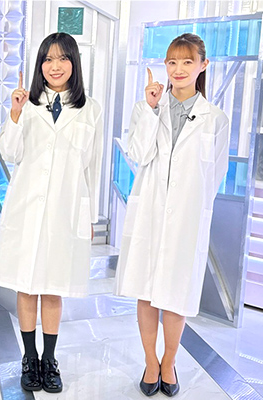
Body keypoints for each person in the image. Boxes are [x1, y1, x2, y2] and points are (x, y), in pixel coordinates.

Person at [114, 33, 229, 397]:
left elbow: (214, 175)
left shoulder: (216, 119)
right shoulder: (148, 108)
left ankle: (169, 362)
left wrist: (191, 210)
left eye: (187, 62)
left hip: (185, 221)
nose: (178, 70)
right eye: (172, 62)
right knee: (146, 292)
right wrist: (150, 110)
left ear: (203, 65)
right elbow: (137, 154)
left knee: (176, 295)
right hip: (149, 214)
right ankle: (151, 363)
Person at [0, 32, 103, 393]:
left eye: (63, 59)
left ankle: (49, 360)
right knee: (26, 286)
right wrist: (15, 114)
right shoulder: (27, 105)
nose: (55, 66)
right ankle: (29, 358)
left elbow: (93, 166)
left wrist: (90, 215)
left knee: (54, 287)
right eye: (48, 59)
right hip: (26, 210)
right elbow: (10, 152)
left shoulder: (90, 109)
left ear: (74, 64)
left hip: (66, 211)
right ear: (39, 66)